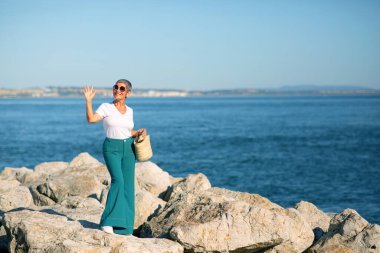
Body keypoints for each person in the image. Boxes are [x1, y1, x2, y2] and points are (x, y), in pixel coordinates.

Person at [83, 79, 146, 235]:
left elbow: (127, 130)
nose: (118, 90)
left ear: (128, 93)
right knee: (117, 181)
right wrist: (88, 101)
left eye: (122, 88)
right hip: (112, 148)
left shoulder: (130, 111)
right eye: (116, 87)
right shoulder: (106, 107)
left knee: (128, 187)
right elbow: (91, 119)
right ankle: (107, 221)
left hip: (129, 148)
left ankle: (125, 227)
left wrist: (138, 132)